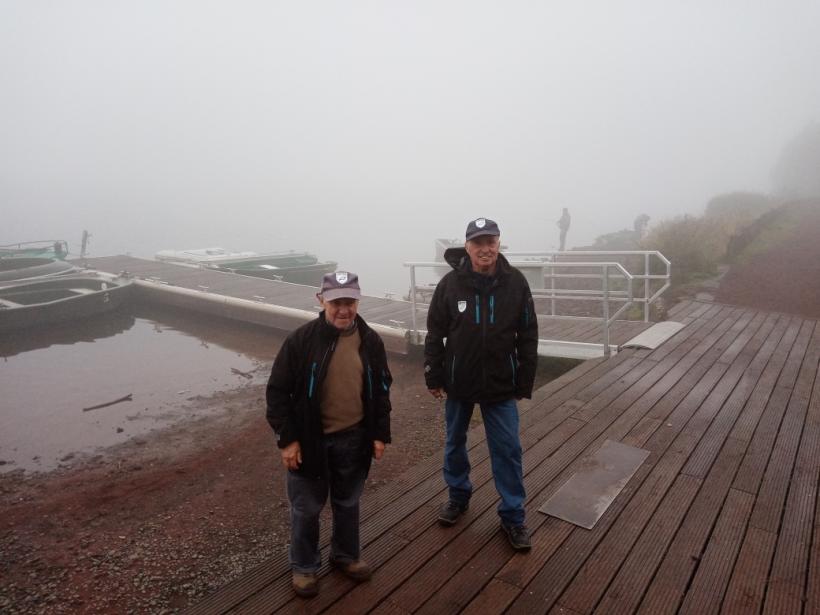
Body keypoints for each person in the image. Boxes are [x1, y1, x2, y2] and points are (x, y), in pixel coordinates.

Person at [266, 271, 392, 598]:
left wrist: (379, 433)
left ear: (358, 301)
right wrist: (287, 440)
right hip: (310, 441)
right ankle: (304, 565)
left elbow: (381, 390)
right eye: (336, 302)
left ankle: (345, 555)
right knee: (306, 507)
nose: (343, 310)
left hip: (354, 437)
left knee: (348, 502)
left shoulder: (371, 340)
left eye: (349, 302)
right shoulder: (300, 340)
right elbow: (277, 393)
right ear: (321, 300)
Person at [424, 218, 539, 551]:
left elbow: (528, 333)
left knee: (508, 449)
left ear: (499, 243)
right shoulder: (450, 284)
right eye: (478, 243)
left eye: (491, 242)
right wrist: (433, 374)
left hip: (501, 383)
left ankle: (513, 516)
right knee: (454, 443)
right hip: (459, 381)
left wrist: (524, 379)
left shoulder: (516, 283)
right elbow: (435, 333)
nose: (485, 248)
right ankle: (458, 496)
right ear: (467, 246)